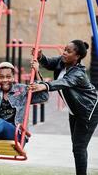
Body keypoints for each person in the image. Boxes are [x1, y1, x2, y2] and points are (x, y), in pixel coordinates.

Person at [29, 40, 98, 175]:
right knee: (77, 147)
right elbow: (48, 63)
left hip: (89, 111)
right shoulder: (62, 61)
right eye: (65, 49)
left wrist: (45, 85)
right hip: (75, 109)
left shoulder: (79, 73)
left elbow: (65, 82)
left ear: (77, 57)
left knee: (79, 147)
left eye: (68, 51)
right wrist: (40, 57)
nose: (64, 53)